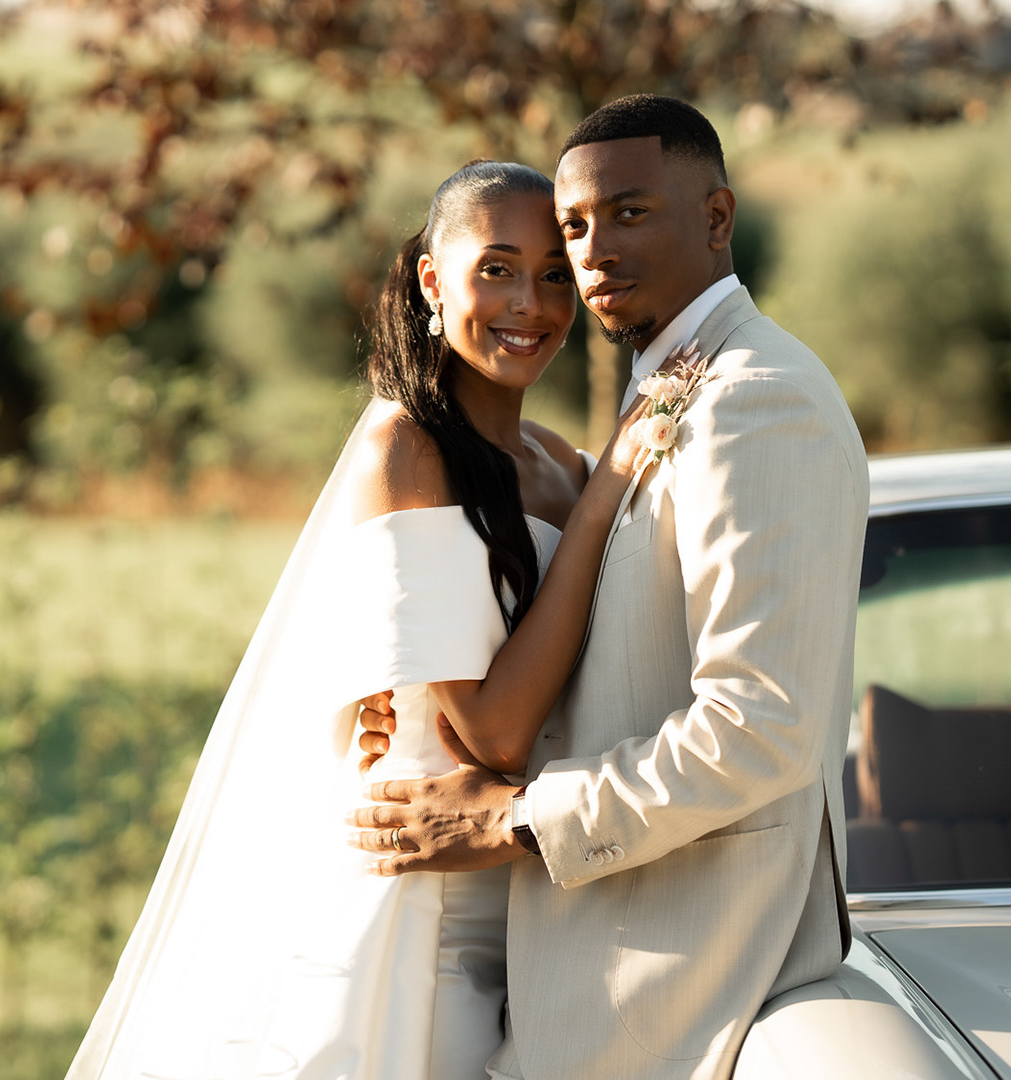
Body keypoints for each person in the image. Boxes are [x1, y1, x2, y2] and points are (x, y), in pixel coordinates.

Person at [65, 159, 676, 1079]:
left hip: (538, 894)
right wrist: (607, 500)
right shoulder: (408, 446)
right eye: (498, 268)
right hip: (420, 919)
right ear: (434, 279)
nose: (532, 304)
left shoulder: (566, 465)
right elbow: (495, 734)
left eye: (556, 273)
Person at [352, 95, 870, 1080]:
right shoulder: (664, 395)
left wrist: (513, 818)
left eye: (629, 213)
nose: (591, 254)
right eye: (575, 226)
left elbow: (761, 726)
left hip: (675, 985)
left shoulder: (755, 401)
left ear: (717, 220)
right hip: (549, 969)